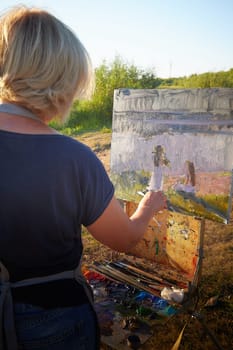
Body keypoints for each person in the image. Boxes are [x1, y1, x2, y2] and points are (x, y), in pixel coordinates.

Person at [0, 5, 167, 350]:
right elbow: (124, 239)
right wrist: (147, 207)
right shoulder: (72, 157)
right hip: (52, 317)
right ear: (61, 82)